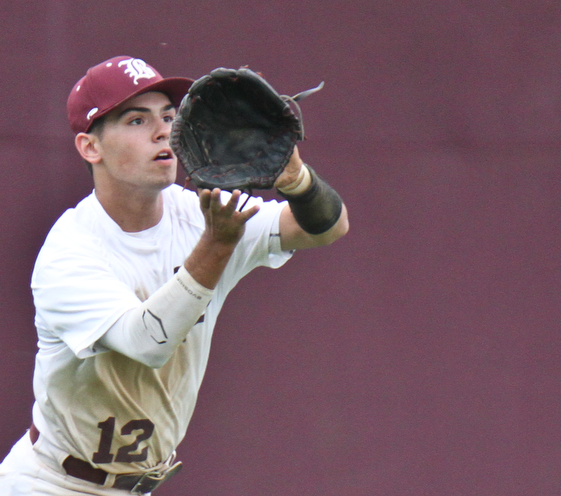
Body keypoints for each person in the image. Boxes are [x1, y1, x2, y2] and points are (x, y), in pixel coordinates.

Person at [0, 56, 349, 495]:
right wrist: (217, 246)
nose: (163, 130)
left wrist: (297, 179)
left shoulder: (198, 215)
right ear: (91, 147)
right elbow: (147, 342)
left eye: (169, 115)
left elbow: (327, 228)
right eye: (136, 119)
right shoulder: (71, 251)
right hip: (53, 483)